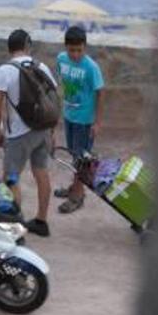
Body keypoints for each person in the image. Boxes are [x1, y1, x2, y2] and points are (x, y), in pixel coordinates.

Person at [0, 30, 57, 237]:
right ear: (28, 46)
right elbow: (54, 99)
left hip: (18, 135)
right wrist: (52, 132)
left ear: (10, 48)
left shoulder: (4, 71)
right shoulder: (41, 66)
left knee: (10, 178)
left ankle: (13, 226)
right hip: (43, 129)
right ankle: (41, 221)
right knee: (41, 173)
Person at [54, 26, 104, 213]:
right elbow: (62, 84)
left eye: (79, 50)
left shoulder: (91, 67)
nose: (75, 54)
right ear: (66, 47)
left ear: (85, 47)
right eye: (72, 50)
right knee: (74, 154)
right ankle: (74, 187)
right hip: (69, 116)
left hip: (85, 120)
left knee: (82, 159)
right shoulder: (61, 59)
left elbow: (100, 93)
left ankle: (77, 196)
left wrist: (97, 122)